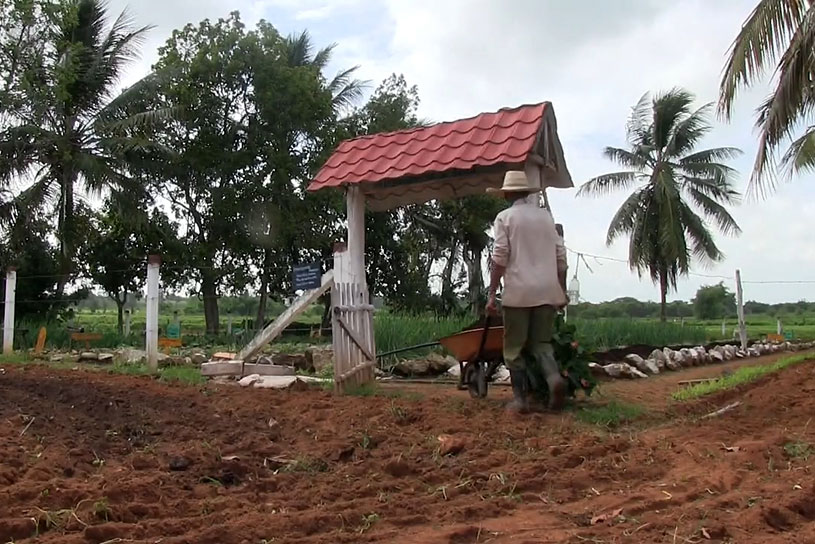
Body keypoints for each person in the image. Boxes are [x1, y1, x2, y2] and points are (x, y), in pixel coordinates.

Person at [486, 170, 568, 414]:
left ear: (508, 193)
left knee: (513, 348)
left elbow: (500, 257)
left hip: (519, 292)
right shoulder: (546, 217)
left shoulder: (505, 217)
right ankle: (554, 379)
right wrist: (561, 290)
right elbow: (560, 257)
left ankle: (520, 400)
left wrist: (492, 293)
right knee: (541, 343)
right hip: (547, 290)